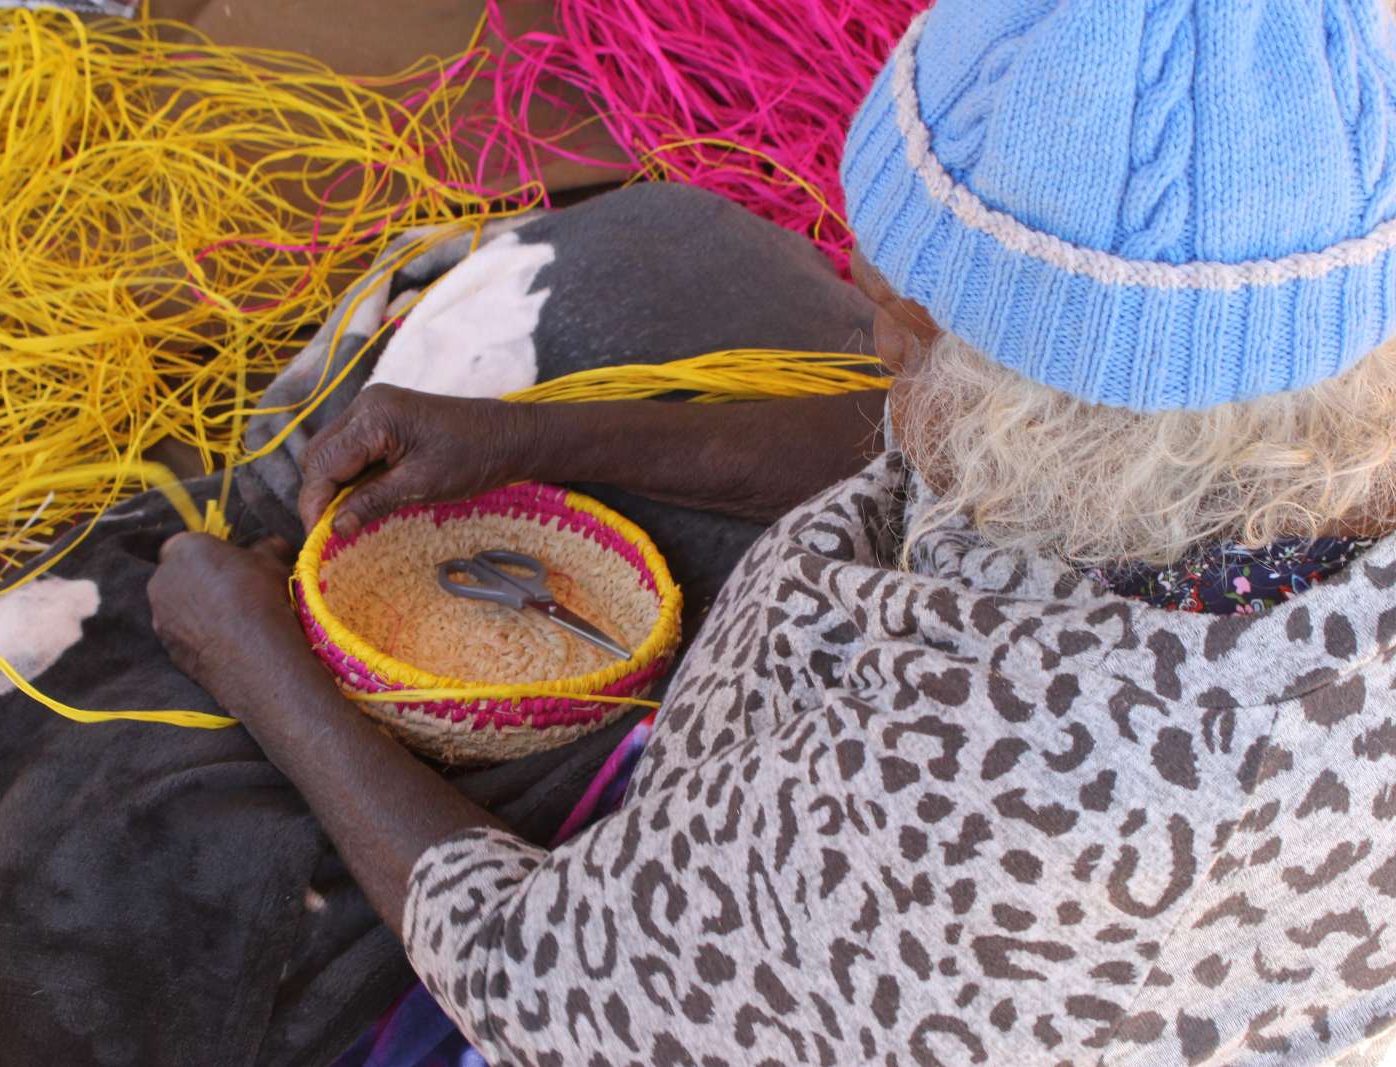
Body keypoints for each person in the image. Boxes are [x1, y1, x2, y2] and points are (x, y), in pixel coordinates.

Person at [151, 1, 1396, 1063]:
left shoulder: (976, 816)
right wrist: (533, 441)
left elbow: (538, 979)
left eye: (905, 333)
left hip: (802, 963)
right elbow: (935, 452)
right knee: (682, 247)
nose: (878, 353)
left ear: (1066, 434)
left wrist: (253, 657)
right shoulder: (1250, 444)